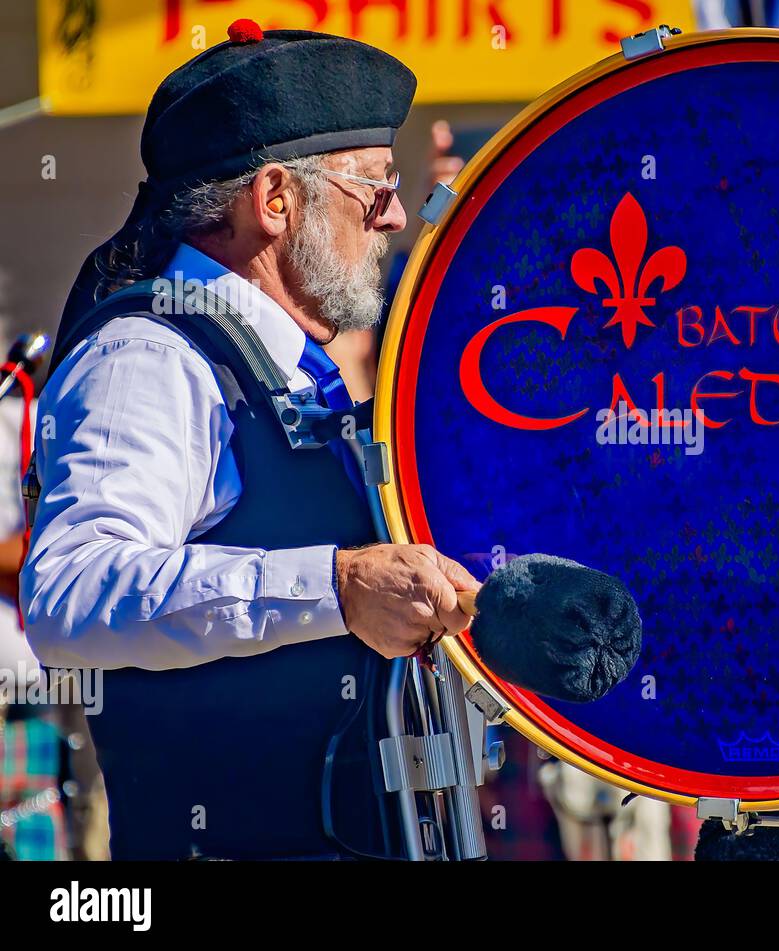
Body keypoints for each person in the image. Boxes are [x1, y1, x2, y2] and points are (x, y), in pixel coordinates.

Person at [20, 19, 478, 860]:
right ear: (275, 201)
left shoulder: (287, 369)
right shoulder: (148, 357)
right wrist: (334, 586)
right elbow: (71, 592)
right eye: (373, 188)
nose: (396, 217)